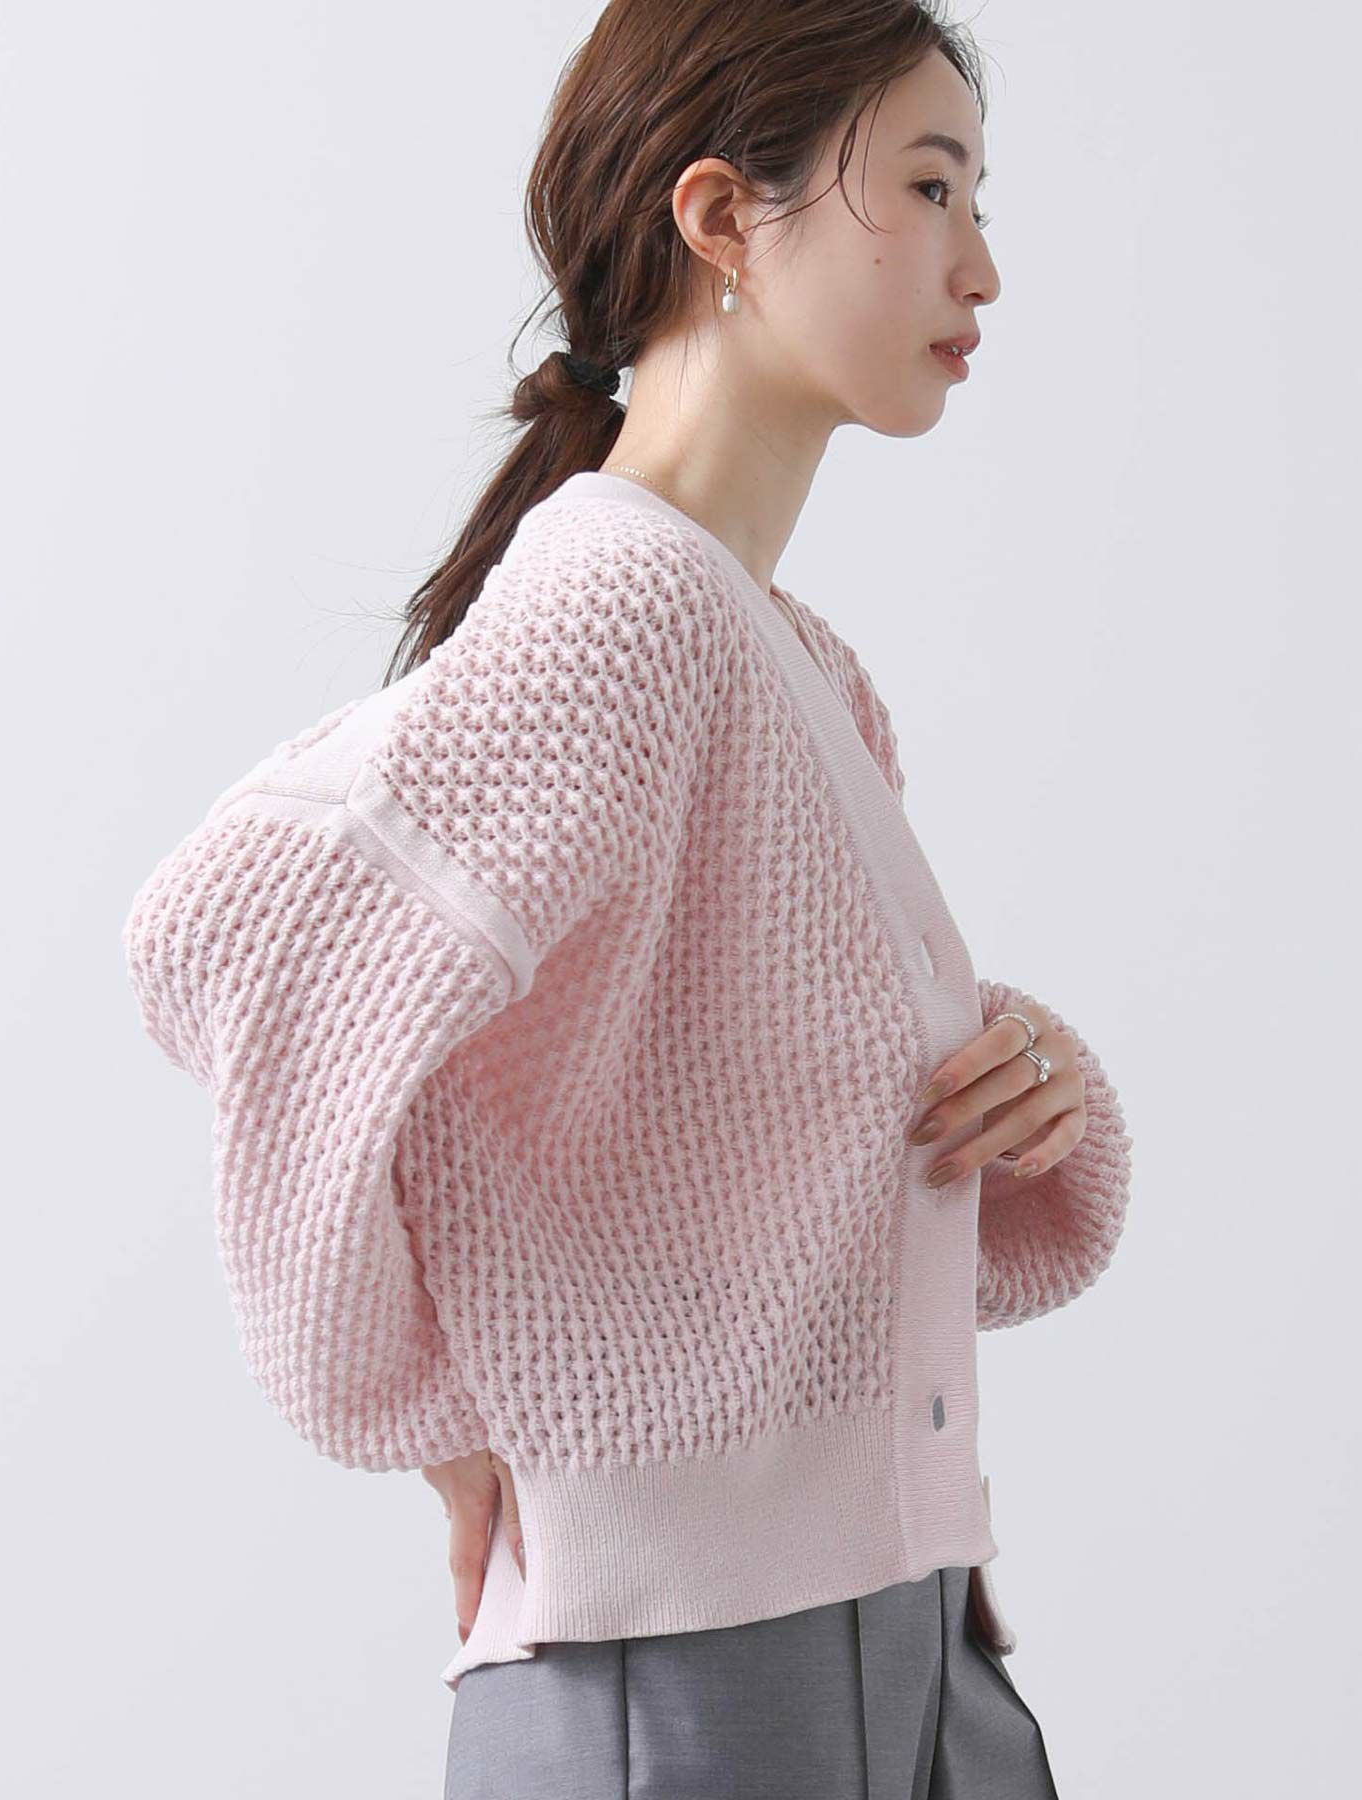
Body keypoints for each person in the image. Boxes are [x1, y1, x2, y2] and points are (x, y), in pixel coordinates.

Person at [122, 3, 1133, 1794]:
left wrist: (1022, 1078)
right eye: (929, 187)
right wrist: (431, 1409)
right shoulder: (624, 610)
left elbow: (748, 1152)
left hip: (897, 1639)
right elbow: (238, 932)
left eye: (979, 201)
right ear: (724, 218)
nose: (981, 265)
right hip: (697, 1679)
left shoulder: (792, 661)